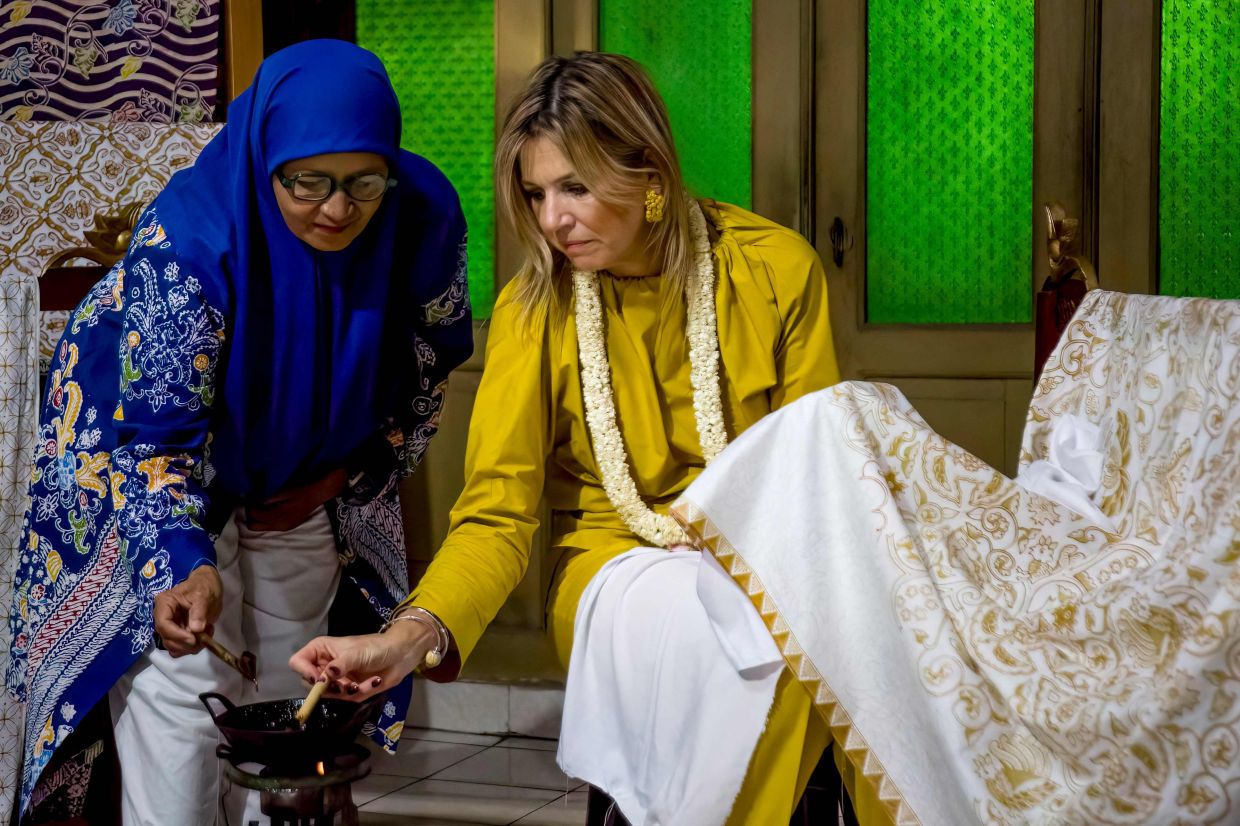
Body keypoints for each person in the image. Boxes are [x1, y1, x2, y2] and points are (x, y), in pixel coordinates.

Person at [292, 52, 886, 824]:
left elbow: (815, 478)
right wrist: (406, 639)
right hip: (615, 561)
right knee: (701, 626)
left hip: (766, 550)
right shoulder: (535, 308)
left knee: (867, 631)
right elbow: (496, 516)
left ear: (650, 174)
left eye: (574, 186)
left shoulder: (775, 270)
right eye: (536, 193)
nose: (550, 219)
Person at [6, 40, 473, 825]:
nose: (337, 208)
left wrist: (347, 473)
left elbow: (430, 366)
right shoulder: (192, 242)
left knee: (298, 679)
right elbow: (152, 440)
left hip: (310, 464)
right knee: (186, 689)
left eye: (365, 181)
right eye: (307, 182)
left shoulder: (421, 213)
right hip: (145, 464)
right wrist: (183, 563)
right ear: (263, 163)